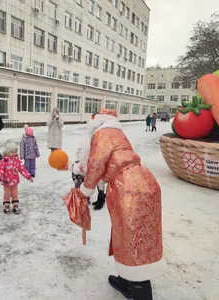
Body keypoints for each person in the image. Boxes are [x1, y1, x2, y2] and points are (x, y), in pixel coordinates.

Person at [69, 108, 166, 300]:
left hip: (127, 187)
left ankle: (139, 291)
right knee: (129, 232)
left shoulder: (101, 134)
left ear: (96, 121)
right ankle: (125, 281)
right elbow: (101, 161)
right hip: (144, 181)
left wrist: (85, 190)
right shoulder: (116, 133)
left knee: (133, 237)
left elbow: (97, 163)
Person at [0, 142, 33, 214]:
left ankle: (15, 205)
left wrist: (28, 176)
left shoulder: (17, 161)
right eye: (12, 152)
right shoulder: (4, 161)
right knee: (7, 193)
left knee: (15, 193)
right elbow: (0, 169)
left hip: (15, 181)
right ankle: (6, 205)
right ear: (7, 152)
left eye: (15, 152)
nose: (14, 153)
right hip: (6, 181)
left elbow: (22, 169)